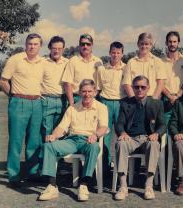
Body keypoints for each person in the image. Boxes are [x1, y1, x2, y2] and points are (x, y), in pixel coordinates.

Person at [38, 79, 108, 201]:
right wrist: (54, 135)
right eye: (84, 91)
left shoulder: (101, 107)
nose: (87, 94)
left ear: (95, 92)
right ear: (80, 93)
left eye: (90, 91)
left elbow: (104, 127)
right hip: (72, 140)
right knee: (48, 146)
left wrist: (96, 135)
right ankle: (52, 186)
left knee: (95, 147)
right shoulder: (72, 108)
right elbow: (62, 127)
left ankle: (84, 184)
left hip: (88, 140)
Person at [0, 33, 45, 186]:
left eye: (35, 44)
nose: (32, 46)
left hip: (36, 103)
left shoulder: (42, 62)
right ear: (26, 44)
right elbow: (3, 81)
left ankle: (32, 174)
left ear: (40, 46)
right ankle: (14, 175)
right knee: (16, 141)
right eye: (30, 43)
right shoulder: (15, 59)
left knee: (34, 141)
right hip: (19, 102)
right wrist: (13, 96)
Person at [114, 75, 165, 200]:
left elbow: (163, 124)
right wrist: (122, 133)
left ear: (148, 88)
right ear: (132, 88)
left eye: (143, 87)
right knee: (120, 144)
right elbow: (119, 123)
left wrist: (156, 133)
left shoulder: (156, 103)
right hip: (131, 138)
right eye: (136, 87)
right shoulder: (126, 103)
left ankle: (148, 185)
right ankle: (123, 186)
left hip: (148, 138)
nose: (140, 90)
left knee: (154, 144)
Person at [96, 41, 126, 174]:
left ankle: (121, 167)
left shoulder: (126, 68)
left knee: (122, 134)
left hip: (121, 103)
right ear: (109, 53)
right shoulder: (102, 69)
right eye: (113, 52)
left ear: (122, 54)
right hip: (105, 102)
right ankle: (105, 167)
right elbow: (97, 88)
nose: (115, 55)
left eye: (118, 53)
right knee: (105, 135)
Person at [61, 34, 104, 105]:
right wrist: (72, 103)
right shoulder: (73, 61)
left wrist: (94, 96)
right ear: (79, 45)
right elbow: (67, 83)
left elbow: (100, 84)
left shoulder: (98, 61)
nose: (85, 46)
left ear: (92, 45)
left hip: (92, 98)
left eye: (88, 44)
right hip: (76, 98)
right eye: (82, 44)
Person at [161, 31, 183, 123]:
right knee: (164, 128)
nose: (172, 44)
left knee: (181, 128)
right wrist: (169, 96)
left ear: (178, 42)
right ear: (166, 43)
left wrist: (178, 95)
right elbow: (160, 82)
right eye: (170, 42)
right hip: (166, 99)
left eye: (174, 42)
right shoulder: (160, 61)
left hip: (182, 98)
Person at [122, 33, 166, 99]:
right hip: (135, 99)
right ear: (138, 44)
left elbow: (160, 83)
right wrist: (134, 100)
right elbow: (127, 84)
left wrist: (154, 100)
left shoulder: (158, 61)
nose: (144, 46)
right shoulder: (131, 62)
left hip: (153, 98)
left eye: (146, 44)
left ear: (151, 45)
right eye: (142, 44)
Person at [41, 36, 69, 137]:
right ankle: (45, 152)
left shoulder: (68, 63)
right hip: (47, 100)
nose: (57, 51)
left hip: (63, 100)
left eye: (59, 49)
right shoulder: (42, 62)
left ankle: (57, 152)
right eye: (54, 48)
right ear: (49, 48)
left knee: (60, 131)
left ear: (63, 49)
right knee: (46, 132)